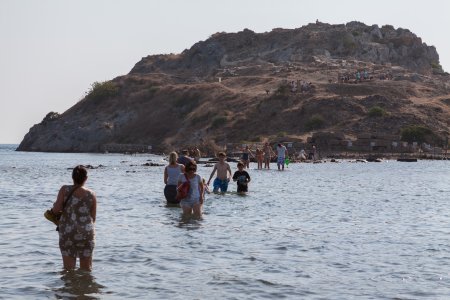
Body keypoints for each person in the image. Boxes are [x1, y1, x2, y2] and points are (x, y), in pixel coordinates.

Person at [51, 165, 97, 271]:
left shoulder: (64, 189)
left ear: (72, 178)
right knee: (86, 270)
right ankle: (86, 287)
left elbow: (56, 210)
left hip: (68, 233)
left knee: (68, 270)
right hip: (86, 233)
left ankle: (71, 287)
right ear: (86, 178)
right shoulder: (92, 194)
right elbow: (93, 218)